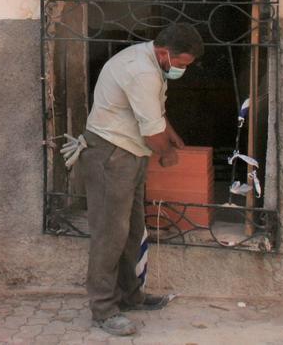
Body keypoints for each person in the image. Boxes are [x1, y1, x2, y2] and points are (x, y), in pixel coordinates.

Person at [80, 23, 204, 337]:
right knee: (110, 234)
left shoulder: (151, 63)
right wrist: (166, 154)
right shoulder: (142, 72)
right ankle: (104, 309)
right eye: (181, 64)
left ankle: (130, 295)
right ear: (165, 53)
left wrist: (171, 134)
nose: (182, 70)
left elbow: (154, 114)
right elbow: (151, 131)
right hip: (111, 153)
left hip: (129, 153)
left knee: (132, 229)